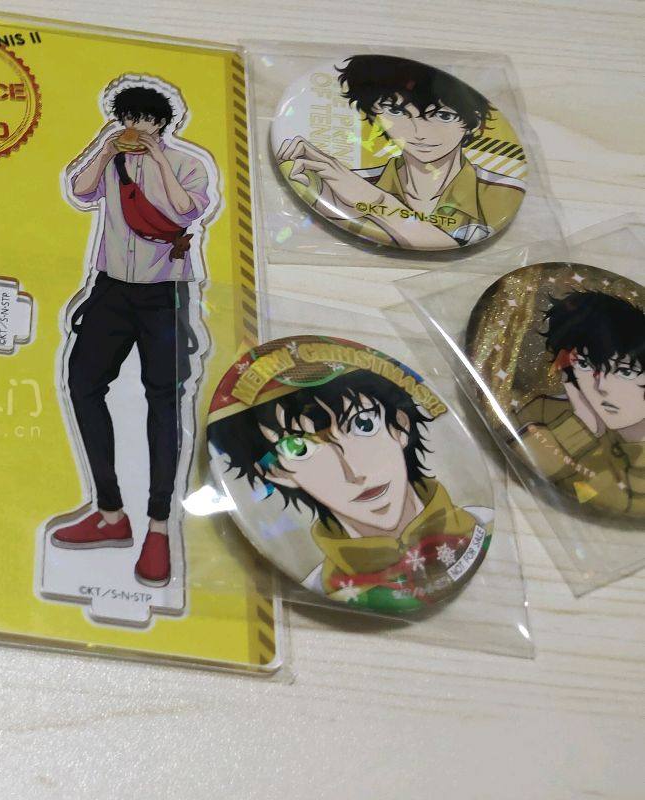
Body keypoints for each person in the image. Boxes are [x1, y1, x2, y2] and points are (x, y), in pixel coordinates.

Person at [50, 75, 217, 588]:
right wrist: (104, 150)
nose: (135, 127)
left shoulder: (187, 164)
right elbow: (79, 191)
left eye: (144, 119)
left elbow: (184, 210)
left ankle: (159, 528)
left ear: (162, 123)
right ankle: (110, 512)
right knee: (82, 384)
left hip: (165, 293)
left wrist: (159, 159)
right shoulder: (114, 158)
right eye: (128, 118)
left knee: (164, 402)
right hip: (111, 289)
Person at [206, 338, 490, 609]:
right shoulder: (322, 583)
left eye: (364, 424)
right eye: (299, 449)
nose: (354, 472)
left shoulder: (481, 525)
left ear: (400, 426)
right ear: (276, 471)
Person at [277, 54, 525, 249]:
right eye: (397, 112)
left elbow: (450, 242)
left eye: (443, 116)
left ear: (474, 121)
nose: (420, 132)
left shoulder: (502, 194)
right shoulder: (341, 186)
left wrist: (372, 200)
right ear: (374, 115)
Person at [517, 290, 645, 515]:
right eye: (585, 365)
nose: (601, 387)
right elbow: (528, 462)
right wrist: (584, 424)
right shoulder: (543, 412)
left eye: (625, 371)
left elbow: (618, 499)